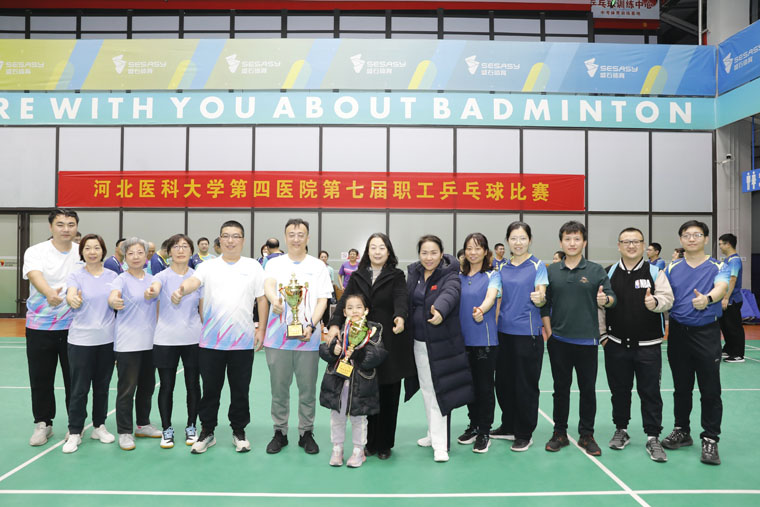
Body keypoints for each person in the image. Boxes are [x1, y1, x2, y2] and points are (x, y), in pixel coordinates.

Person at [173, 221, 268, 454]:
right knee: (210, 390)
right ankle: (207, 431)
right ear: (219, 240)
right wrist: (182, 289)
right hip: (211, 342)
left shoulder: (253, 266)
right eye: (226, 236)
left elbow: (262, 299)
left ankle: (239, 431)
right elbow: (194, 282)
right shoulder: (208, 266)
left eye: (235, 236)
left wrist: (261, 330)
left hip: (242, 342)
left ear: (243, 240)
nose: (230, 240)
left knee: (240, 390)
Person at [327, 233, 410, 460]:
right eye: (373, 247)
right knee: (367, 390)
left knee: (389, 391)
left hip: (388, 340)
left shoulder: (396, 275)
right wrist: (334, 324)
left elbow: (401, 298)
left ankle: (385, 444)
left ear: (388, 251)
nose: (377, 251)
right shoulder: (358, 276)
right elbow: (345, 301)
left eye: (381, 247)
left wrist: (400, 316)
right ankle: (369, 443)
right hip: (362, 341)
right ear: (367, 251)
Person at [541, 221, 615, 457]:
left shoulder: (596, 270)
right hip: (559, 341)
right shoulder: (551, 271)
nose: (572, 243)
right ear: (561, 242)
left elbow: (611, 297)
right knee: (560, 389)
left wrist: (606, 300)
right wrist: (550, 334)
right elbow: (544, 304)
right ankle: (559, 433)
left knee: (587, 390)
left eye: (576, 239)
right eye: (567, 239)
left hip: (587, 342)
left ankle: (586, 435)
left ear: (584, 242)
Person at [600, 227, 674, 463]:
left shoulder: (655, 271)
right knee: (619, 391)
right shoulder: (609, 272)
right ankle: (621, 429)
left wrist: (655, 302)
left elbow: (668, 298)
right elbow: (600, 306)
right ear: (619, 245)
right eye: (626, 241)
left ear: (643, 245)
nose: (631, 245)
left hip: (648, 346)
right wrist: (603, 336)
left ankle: (653, 437)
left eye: (636, 241)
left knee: (650, 392)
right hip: (616, 345)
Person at [662, 220, 729, 465]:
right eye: (687, 235)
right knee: (681, 387)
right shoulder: (671, 267)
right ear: (681, 239)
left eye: (697, 235)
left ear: (706, 238)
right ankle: (682, 430)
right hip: (678, 333)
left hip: (706, 333)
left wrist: (708, 298)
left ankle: (710, 438)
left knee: (710, 389)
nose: (691, 239)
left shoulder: (718, 266)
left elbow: (721, 287)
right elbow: (664, 295)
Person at [263, 219, 332, 455]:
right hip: (277, 339)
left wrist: (312, 325)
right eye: (291, 234)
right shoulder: (274, 263)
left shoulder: (318, 266)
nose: (296, 238)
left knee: (307, 390)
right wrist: (274, 299)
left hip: (308, 338)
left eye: (300, 234)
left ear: (307, 238)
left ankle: (306, 432)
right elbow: (269, 285)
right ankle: (280, 432)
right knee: (279, 389)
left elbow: (323, 300)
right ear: (285, 237)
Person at [406, 234, 473, 463]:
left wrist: (440, 310)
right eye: (424, 253)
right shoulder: (414, 274)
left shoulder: (450, 274)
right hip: (418, 343)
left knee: (438, 393)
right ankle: (432, 433)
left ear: (442, 254)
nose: (429, 257)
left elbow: (450, 294)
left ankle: (440, 445)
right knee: (427, 390)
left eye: (433, 252)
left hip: (441, 345)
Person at [23, 209, 81, 446]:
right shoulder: (36, 251)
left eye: (71, 224)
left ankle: (74, 426)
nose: (66, 229)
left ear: (76, 227)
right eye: (60, 224)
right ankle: (43, 423)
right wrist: (49, 293)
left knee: (74, 379)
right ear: (51, 227)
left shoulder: (81, 252)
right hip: (39, 325)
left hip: (74, 327)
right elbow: (34, 275)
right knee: (40, 378)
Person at [493, 221, 548, 452]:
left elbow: (542, 294)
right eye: (514, 238)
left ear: (530, 240)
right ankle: (508, 425)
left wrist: (540, 299)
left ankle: (524, 433)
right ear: (507, 241)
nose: (518, 242)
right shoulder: (502, 268)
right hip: (503, 334)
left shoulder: (538, 266)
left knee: (525, 385)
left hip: (528, 334)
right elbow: (494, 296)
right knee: (503, 384)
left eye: (522, 238)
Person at [61, 234, 118, 454]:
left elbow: (116, 298)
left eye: (96, 248)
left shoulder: (113, 276)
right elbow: (71, 294)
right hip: (81, 341)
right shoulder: (75, 275)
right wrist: (72, 299)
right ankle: (75, 431)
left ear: (103, 251)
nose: (92, 252)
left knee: (102, 387)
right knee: (79, 388)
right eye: (87, 248)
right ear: (82, 252)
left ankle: (99, 426)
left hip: (107, 340)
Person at [145, 234, 203, 449]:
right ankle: (167, 429)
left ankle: (191, 426)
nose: (180, 250)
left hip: (193, 338)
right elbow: (153, 290)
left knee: (193, 385)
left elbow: (202, 309)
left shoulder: (198, 278)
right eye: (176, 247)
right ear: (169, 252)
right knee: (166, 385)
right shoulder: (161, 276)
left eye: (185, 246)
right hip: (165, 339)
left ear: (191, 252)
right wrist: (151, 291)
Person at [320, 293, 387, 468]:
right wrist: (332, 350)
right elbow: (323, 350)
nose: (354, 311)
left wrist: (358, 354)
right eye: (350, 308)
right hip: (338, 383)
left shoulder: (373, 331)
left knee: (359, 419)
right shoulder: (339, 330)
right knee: (337, 417)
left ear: (366, 310)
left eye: (358, 307)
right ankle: (337, 448)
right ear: (344, 312)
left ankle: (359, 450)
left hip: (361, 385)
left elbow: (377, 355)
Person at [108, 237, 161, 451]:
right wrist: (114, 301)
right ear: (125, 256)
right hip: (127, 343)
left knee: (147, 387)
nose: (136, 257)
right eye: (131, 253)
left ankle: (143, 424)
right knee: (127, 389)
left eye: (140, 252)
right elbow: (113, 296)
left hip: (150, 342)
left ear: (146, 255)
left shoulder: (153, 280)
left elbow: (158, 299)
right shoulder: (120, 279)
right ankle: (124, 431)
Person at [456, 233, 501, 453]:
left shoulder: (493, 275)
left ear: (485, 251)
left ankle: (484, 431)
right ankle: (473, 425)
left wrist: (481, 310)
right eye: (469, 248)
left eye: (477, 248)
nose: (472, 252)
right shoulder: (458, 277)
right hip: (462, 341)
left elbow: (491, 297)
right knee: (469, 387)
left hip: (485, 341)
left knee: (484, 388)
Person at [718, 233, 745, 363]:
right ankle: (729, 349)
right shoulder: (727, 260)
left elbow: (732, 279)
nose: (720, 247)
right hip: (726, 298)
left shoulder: (734, 260)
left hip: (732, 299)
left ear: (728, 244)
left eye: (721, 244)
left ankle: (738, 354)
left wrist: (726, 298)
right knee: (726, 326)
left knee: (734, 327)